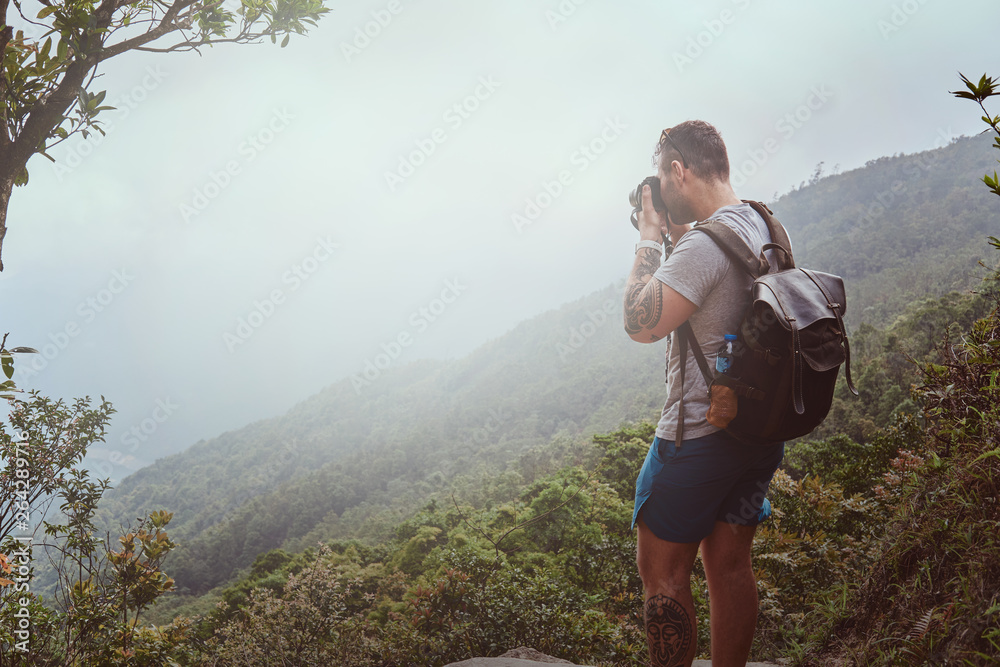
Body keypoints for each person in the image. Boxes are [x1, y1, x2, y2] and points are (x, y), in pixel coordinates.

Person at [622, 120, 786, 667]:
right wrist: (673, 241)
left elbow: (640, 323)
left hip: (697, 438)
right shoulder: (764, 224)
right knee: (731, 567)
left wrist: (649, 238)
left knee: (664, 575)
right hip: (757, 432)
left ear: (677, 170)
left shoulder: (701, 243)